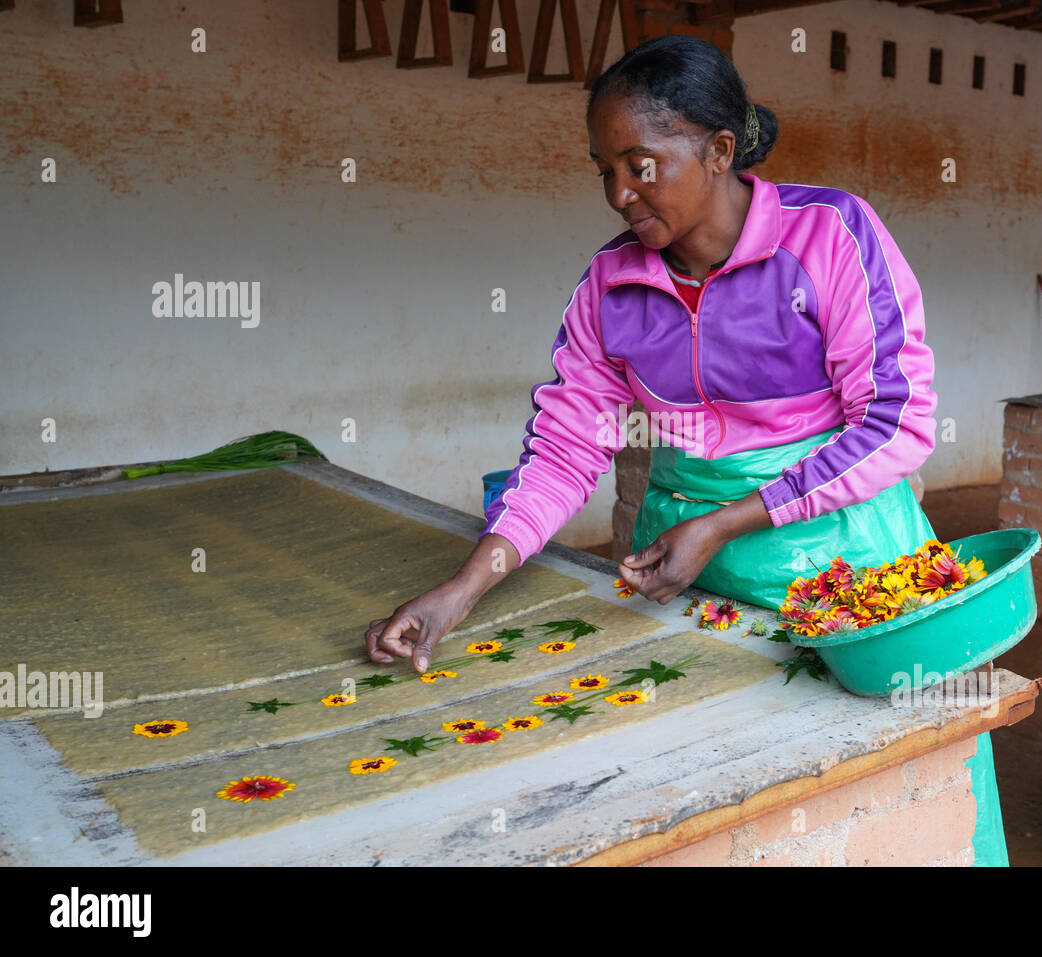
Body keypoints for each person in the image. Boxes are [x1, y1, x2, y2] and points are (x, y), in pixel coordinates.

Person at [364, 34, 1008, 866]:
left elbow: (895, 422)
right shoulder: (611, 285)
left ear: (718, 149)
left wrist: (728, 520)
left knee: (869, 800)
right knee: (714, 803)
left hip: (851, 566)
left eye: (640, 163)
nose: (619, 193)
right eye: (604, 169)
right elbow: (565, 450)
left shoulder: (830, 236)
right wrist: (460, 589)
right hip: (688, 573)